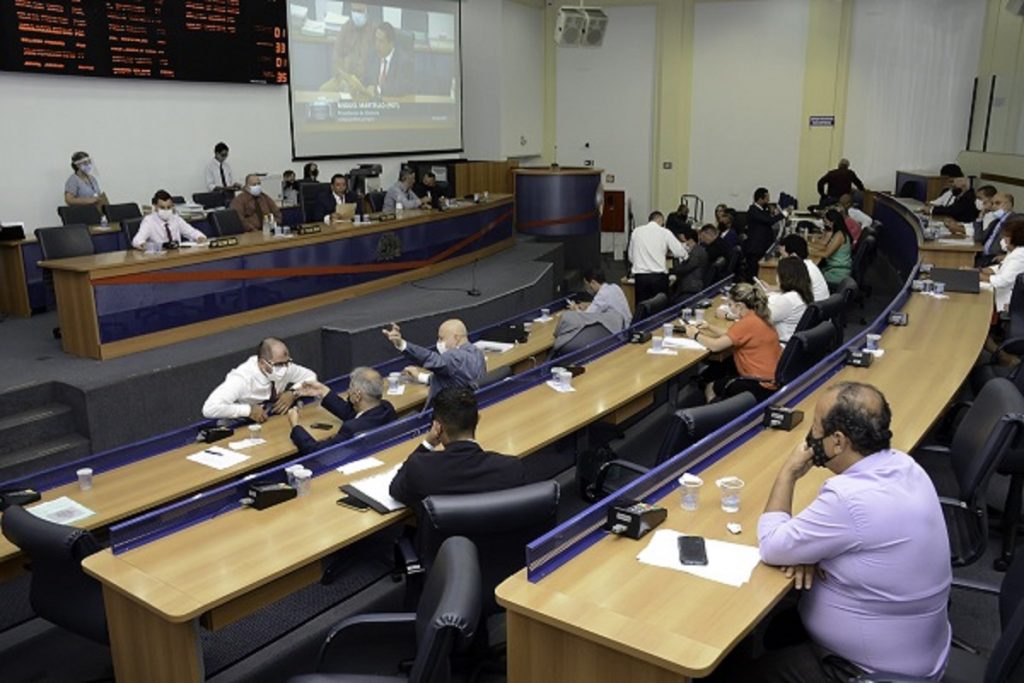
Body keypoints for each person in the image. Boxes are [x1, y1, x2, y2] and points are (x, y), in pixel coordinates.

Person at [749, 382, 950, 681]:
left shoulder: (849, 498)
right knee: (780, 629)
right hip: (913, 647)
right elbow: (862, 536)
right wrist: (814, 553)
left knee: (740, 674)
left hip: (871, 672)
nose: (810, 437)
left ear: (838, 442)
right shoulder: (905, 466)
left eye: (816, 427)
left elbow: (771, 545)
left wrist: (788, 472)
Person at [389, 386, 526, 517]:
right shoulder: (511, 468)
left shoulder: (420, 468)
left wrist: (427, 444)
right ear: (477, 420)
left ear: (437, 428)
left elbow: (395, 488)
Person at [681, 283, 782, 403]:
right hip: (773, 379)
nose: (729, 308)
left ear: (739, 306)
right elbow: (733, 335)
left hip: (759, 384)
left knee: (711, 386)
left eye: (730, 305)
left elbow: (715, 346)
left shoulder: (747, 323)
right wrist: (709, 327)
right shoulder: (759, 317)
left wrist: (695, 335)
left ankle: (715, 411)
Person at [202, 338, 316, 422]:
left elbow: (311, 377)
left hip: (272, 419)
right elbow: (210, 408)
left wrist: (293, 393)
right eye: (279, 365)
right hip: (239, 424)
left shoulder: (286, 367)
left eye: (287, 362)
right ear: (262, 363)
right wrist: (248, 410)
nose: (285, 368)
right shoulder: (242, 378)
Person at [287, 368, 397, 454]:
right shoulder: (386, 408)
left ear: (357, 395)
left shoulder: (351, 428)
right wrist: (323, 391)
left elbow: (316, 451)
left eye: (350, 388)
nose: (348, 391)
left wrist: (295, 426)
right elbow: (354, 415)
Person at [382, 318, 485, 403]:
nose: (438, 342)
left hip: (450, 412)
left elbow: (430, 359)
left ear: (456, 338)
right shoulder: (477, 352)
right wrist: (419, 376)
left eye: (441, 338)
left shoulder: (454, 356)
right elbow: (454, 379)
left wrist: (402, 344)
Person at [629, 211, 688, 305]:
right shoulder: (664, 232)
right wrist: (684, 255)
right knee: (659, 308)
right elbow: (680, 252)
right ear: (661, 220)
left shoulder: (636, 231)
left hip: (641, 278)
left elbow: (631, 257)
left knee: (642, 308)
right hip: (658, 278)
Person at [348, 22, 415, 99]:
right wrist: (357, 85)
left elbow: (401, 88)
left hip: (395, 104)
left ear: (391, 44)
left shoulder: (403, 61)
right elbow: (367, 79)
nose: (377, 44)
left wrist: (378, 90)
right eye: (376, 39)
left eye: (381, 41)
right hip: (375, 103)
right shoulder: (373, 55)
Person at [322, 2, 378, 91]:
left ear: (367, 11)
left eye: (360, 11)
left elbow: (377, 62)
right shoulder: (345, 28)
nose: (357, 15)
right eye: (354, 11)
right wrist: (342, 77)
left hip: (365, 82)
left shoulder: (374, 31)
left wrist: (365, 83)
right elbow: (336, 57)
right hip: (344, 79)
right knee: (323, 90)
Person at [132, 190, 207, 250]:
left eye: (169, 207)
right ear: (155, 207)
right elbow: (137, 241)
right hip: (158, 257)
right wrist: (155, 246)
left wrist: (200, 237)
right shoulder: (149, 221)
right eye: (162, 207)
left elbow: (192, 232)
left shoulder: (175, 218)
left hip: (177, 255)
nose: (166, 210)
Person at [982, 218, 1024, 313]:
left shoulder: (1020, 255)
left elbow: (1002, 281)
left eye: (1005, 237)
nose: (1003, 240)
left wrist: (979, 276)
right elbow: (1002, 267)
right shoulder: (1013, 252)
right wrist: (983, 270)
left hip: (1009, 303)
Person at [767, 257, 812, 343]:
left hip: (781, 344)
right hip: (794, 343)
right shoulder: (803, 293)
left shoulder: (787, 300)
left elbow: (762, 317)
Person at [745, 188, 784, 281]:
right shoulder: (753, 211)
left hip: (763, 246)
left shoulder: (763, 210)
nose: (768, 201)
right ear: (760, 199)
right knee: (753, 273)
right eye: (767, 198)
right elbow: (769, 221)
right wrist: (783, 214)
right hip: (755, 248)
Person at [779, 234, 829, 302]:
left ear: (793, 256)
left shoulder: (801, 270)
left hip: (813, 306)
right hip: (819, 304)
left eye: (783, 256)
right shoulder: (808, 264)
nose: (781, 259)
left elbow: (792, 294)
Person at [978, 192, 1017, 267]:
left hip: (998, 259)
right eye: (992, 204)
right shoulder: (995, 222)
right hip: (984, 257)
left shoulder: (1016, 220)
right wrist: (980, 218)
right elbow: (979, 238)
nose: (994, 207)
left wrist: (1008, 256)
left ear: (1009, 204)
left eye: (998, 203)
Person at [818, 209, 854, 286]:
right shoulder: (839, 233)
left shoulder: (839, 235)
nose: (825, 225)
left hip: (838, 273)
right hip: (834, 269)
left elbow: (826, 254)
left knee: (811, 277)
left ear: (832, 222)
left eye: (826, 222)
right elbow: (824, 246)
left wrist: (809, 250)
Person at [671, 226, 709, 298]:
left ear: (690, 240)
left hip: (691, 286)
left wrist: (675, 259)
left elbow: (684, 268)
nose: (684, 243)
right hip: (692, 282)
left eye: (684, 241)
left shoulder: (696, 253)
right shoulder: (697, 250)